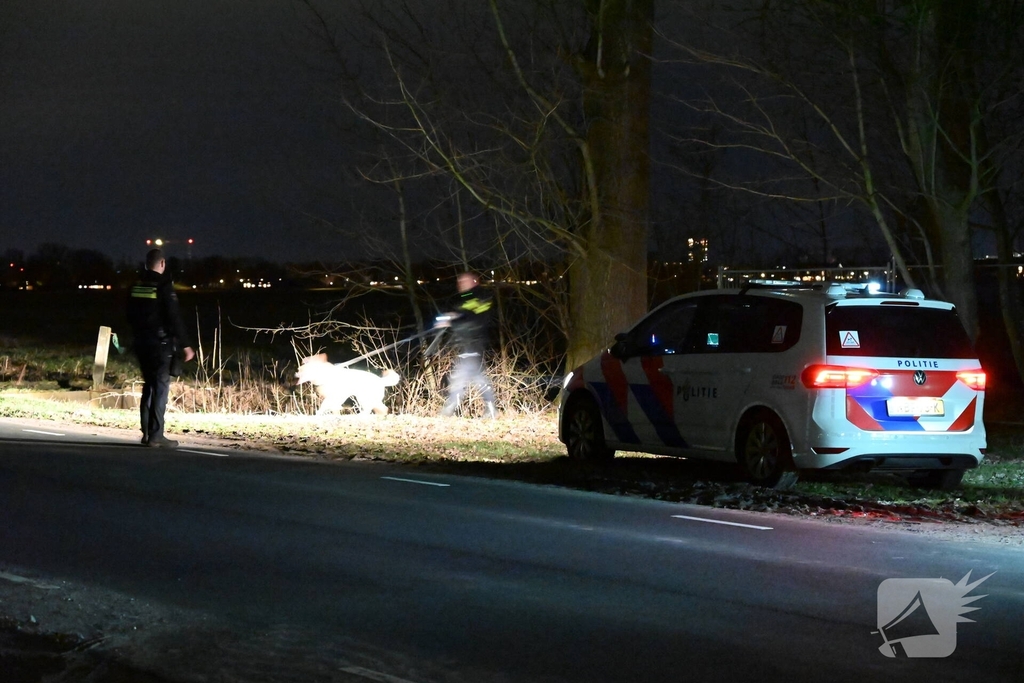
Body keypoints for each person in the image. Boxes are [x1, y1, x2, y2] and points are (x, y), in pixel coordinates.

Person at [126, 248, 195, 448]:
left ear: (147, 264)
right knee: (161, 388)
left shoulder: (136, 286)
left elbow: (129, 315)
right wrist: (186, 345)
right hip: (160, 344)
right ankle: (157, 435)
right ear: (162, 263)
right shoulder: (164, 286)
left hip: (141, 343)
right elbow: (174, 318)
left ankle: (147, 433)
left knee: (148, 386)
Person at [434, 272, 497, 418]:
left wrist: (452, 321)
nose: (460, 284)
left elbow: (476, 320)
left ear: (474, 282)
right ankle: (491, 409)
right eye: (459, 282)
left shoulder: (481, 297)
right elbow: (463, 315)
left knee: (460, 376)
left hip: (474, 343)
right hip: (465, 344)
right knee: (476, 377)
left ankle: (449, 410)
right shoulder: (465, 298)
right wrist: (450, 317)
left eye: (464, 281)